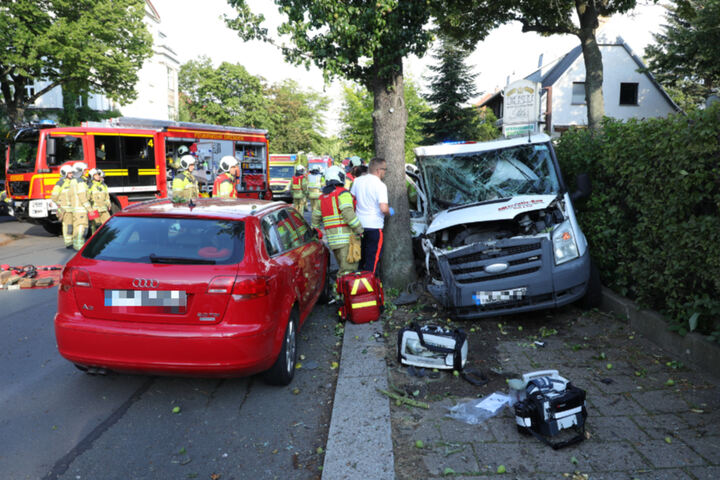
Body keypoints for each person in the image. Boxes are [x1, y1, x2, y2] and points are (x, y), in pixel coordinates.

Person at [312, 165, 364, 277]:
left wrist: (316, 231)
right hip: (346, 240)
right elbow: (348, 214)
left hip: (333, 241)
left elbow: (315, 217)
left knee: (342, 269)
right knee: (348, 273)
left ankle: (339, 293)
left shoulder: (322, 197)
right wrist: (360, 229)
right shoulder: (343, 193)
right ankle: (340, 294)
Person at [350, 157, 393, 275]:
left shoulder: (357, 181)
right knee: (372, 261)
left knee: (360, 258)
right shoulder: (380, 185)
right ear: (379, 170)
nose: (385, 172)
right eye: (385, 170)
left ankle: (358, 285)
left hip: (359, 226)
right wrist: (391, 212)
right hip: (374, 227)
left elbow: (352, 201)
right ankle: (369, 285)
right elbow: (384, 208)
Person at [50, 164, 75, 248]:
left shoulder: (72, 182)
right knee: (68, 226)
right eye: (70, 173)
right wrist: (60, 204)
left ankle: (73, 241)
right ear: (65, 173)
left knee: (74, 226)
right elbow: (54, 196)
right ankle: (68, 243)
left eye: (72, 173)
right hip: (65, 210)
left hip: (73, 209)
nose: (72, 174)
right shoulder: (60, 183)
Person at [70, 162, 91, 251]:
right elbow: (83, 197)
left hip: (75, 209)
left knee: (76, 227)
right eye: (84, 170)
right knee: (82, 228)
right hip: (81, 210)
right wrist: (90, 209)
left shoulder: (73, 181)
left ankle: (76, 245)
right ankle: (80, 247)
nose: (86, 172)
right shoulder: (81, 182)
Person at [88, 168, 112, 234]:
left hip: (104, 209)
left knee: (108, 225)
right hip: (94, 210)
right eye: (95, 175)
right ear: (92, 176)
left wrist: (108, 203)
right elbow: (87, 198)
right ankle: (94, 242)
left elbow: (107, 196)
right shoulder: (90, 186)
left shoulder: (103, 185)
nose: (98, 176)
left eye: (98, 174)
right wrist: (89, 210)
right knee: (95, 228)